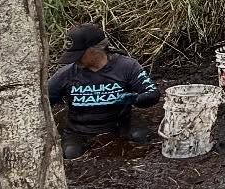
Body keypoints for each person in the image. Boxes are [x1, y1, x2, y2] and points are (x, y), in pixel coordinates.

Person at [47, 24, 160, 159]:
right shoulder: (66, 74)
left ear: (94, 51)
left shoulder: (127, 66)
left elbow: (153, 94)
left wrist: (134, 99)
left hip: (120, 125)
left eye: (78, 55)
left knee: (141, 138)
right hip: (79, 130)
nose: (74, 60)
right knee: (71, 153)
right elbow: (43, 100)